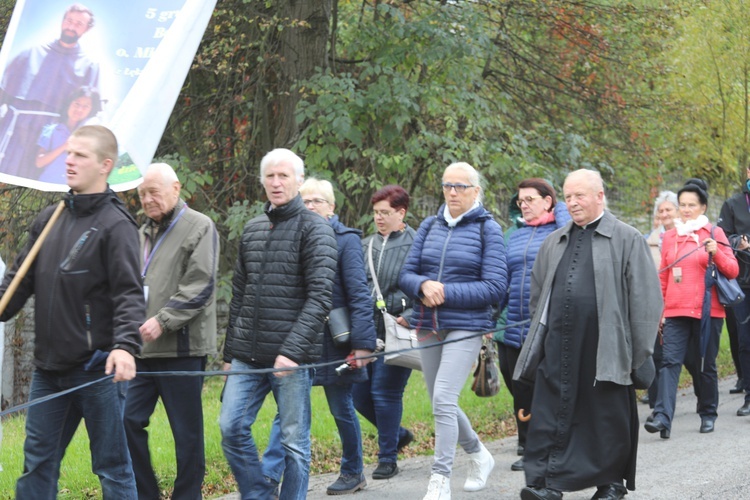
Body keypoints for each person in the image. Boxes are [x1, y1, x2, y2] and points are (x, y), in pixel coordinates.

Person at [0, 125, 144, 498]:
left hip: (97, 369)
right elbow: (18, 283)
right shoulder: (50, 218)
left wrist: (125, 346)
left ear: (105, 165)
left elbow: (129, 294)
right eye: (68, 153)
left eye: (80, 155)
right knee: (37, 464)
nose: (68, 161)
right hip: (48, 370)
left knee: (111, 467)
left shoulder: (117, 225)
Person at [514, 169, 663, 500]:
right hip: (559, 346)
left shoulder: (627, 238)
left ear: (599, 196)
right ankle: (547, 485)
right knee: (551, 415)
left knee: (603, 419)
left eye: (580, 195)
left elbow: (646, 302)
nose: (573, 202)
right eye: (568, 197)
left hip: (607, 348)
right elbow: (538, 297)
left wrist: (637, 354)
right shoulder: (554, 242)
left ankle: (611, 484)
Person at [219, 148, 337, 500]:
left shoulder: (315, 229)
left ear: (299, 181)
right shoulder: (253, 228)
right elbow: (239, 296)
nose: (276, 182)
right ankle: (257, 493)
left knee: (293, 443)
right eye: (270, 176)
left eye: (283, 176)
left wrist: (291, 352)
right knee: (230, 427)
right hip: (247, 355)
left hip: (291, 358)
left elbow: (320, 298)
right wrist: (229, 353)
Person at [262, 178, 377, 495]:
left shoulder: (347, 240)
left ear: (332, 207)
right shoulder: (293, 235)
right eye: (305, 200)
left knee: (341, 408)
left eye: (317, 201)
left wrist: (362, 344)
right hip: (299, 341)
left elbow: (359, 295)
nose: (310, 206)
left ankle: (353, 471)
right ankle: (270, 477)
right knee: (287, 410)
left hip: (336, 341)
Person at [400, 162, 507, 499]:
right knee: (438, 400)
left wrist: (442, 291)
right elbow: (405, 275)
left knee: (444, 398)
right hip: (428, 325)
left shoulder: (488, 229)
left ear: (476, 191)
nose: (453, 192)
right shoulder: (429, 225)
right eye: (448, 185)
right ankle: (478, 453)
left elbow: (495, 287)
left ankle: (440, 478)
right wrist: (422, 285)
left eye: (461, 186)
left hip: (466, 325)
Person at [124, 163, 219, 499]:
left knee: (187, 434)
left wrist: (163, 320)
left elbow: (201, 286)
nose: (148, 199)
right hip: (142, 352)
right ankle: (147, 494)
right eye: (142, 193)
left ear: (176, 188)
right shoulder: (140, 233)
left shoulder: (199, 226)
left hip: (181, 349)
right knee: (127, 421)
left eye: (155, 191)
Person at [646, 179, 738, 439]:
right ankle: (663, 416)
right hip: (676, 312)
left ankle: (708, 412)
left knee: (705, 366)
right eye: (682, 205)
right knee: (669, 363)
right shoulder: (670, 237)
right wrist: (660, 313)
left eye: (691, 205)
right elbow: (663, 278)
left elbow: (733, 269)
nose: (686, 209)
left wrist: (716, 253)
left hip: (709, 312)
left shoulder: (713, 233)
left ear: (703, 207)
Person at [500, 178, 570, 473]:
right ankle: (527, 442)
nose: (524, 206)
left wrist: (562, 208)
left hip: (545, 326)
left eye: (530, 200)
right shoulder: (511, 235)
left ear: (548, 201)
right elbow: (499, 275)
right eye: (520, 201)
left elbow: (575, 233)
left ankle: (544, 448)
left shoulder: (559, 230)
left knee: (545, 388)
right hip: (509, 325)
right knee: (518, 387)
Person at [352, 184, 417, 480]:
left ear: (401, 212)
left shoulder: (417, 243)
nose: (378, 218)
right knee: (358, 395)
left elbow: (430, 283)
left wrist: (412, 315)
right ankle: (399, 434)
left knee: (384, 392)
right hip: (368, 332)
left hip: (399, 331)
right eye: (376, 213)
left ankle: (387, 457)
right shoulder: (365, 245)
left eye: (385, 213)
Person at [0, 4, 99, 178]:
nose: (71, 26)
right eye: (69, 21)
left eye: (78, 24)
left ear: (87, 29)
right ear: (62, 22)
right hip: (14, 130)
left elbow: (89, 110)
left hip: (50, 139)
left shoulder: (89, 66)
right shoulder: (30, 54)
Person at [718, 166, 750, 410]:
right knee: (745, 340)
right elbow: (721, 238)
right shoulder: (732, 205)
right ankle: (749, 395)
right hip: (742, 281)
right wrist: (739, 242)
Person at [35, 86, 101, 184]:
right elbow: (39, 163)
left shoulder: (93, 136)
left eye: (85, 107)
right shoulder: (52, 129)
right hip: (46, 184)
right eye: (77, 104)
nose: (79, 109)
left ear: (91, 110)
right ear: (69, 104)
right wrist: (66, 145)